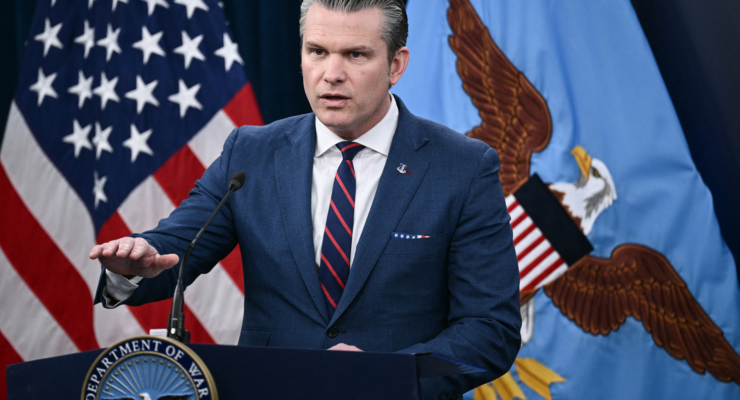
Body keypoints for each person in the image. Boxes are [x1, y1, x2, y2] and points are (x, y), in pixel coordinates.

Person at [89, 0, 521, 398]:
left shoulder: (462, 168)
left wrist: (388, 374)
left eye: (355, 55)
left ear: (396, 65)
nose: (331, 73)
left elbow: (490, 332)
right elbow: (176, 248)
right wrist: (132, 267)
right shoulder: (251, 153)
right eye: (317, 51)